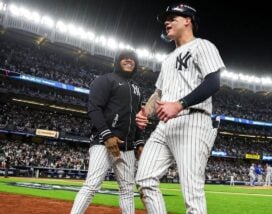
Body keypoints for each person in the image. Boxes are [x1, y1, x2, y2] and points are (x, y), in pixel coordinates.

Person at [135, 2, 225, 213]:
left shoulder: (202, 45)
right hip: (165, 126)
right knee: (145, 179)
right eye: (166, 19)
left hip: (192, 121)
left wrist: (180, 104)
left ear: (188, 21)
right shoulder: (167, 59)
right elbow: (158, 94)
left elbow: (214, 82)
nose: (166, 22)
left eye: (172, 18)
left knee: (192, 194)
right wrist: (145, 112)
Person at [71, 50, 144, 214]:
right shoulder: (105, 79)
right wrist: (107, 135)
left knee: (127, 189)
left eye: (133, 59)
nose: (129, 60)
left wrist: (139, 142)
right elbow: (94, 108)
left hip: (127, 147)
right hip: (103, 142)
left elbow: (136, 119)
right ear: (117, 61)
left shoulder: (137, 88)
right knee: (92, 185)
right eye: (125, 58)